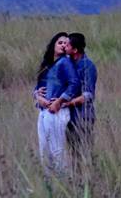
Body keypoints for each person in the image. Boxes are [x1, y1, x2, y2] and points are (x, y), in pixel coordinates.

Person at [34, 32, 80, 174]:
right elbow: (38, 87)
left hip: (57, 112)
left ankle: (65, 184)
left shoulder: (65, 62)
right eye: (60, 42)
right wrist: (36, 96)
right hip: (43, 112)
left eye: (66, 43)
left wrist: (60, 101)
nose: (63, 45)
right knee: (44, 151)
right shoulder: (47, 65)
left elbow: (74, 83)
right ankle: (49, 186)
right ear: (53, 44)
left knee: (57, 151)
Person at [64, 32, 98, 160]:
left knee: (83, 153)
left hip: (82, 117)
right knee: (72, 154)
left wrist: (68, 103)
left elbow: (88, 95)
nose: (64, 47)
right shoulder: (68, 64)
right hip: (69, 117)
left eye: (67, 45)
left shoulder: (88, 66)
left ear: (75, 50)